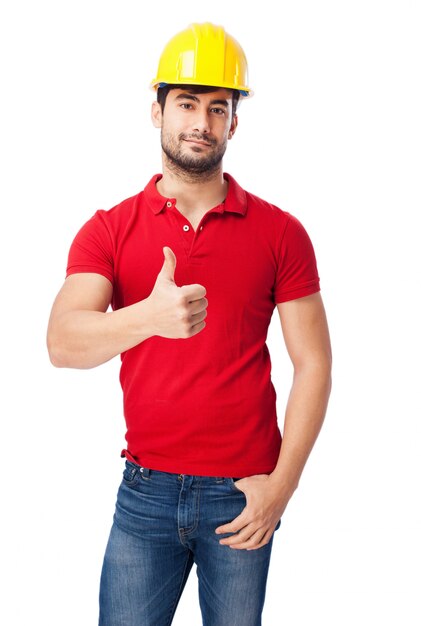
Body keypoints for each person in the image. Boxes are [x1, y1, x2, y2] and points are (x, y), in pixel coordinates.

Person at [47, 21, 332, 626]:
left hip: (242, 496)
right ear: (157, 111)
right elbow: (62, 342)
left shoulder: (282, 232)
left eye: (217, 107)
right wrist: (147, 317)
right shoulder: (111, 228)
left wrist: (283, 487)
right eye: (186, 104)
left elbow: (314, 364)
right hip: (144, 493)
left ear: (234, 121)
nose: (201, 121)